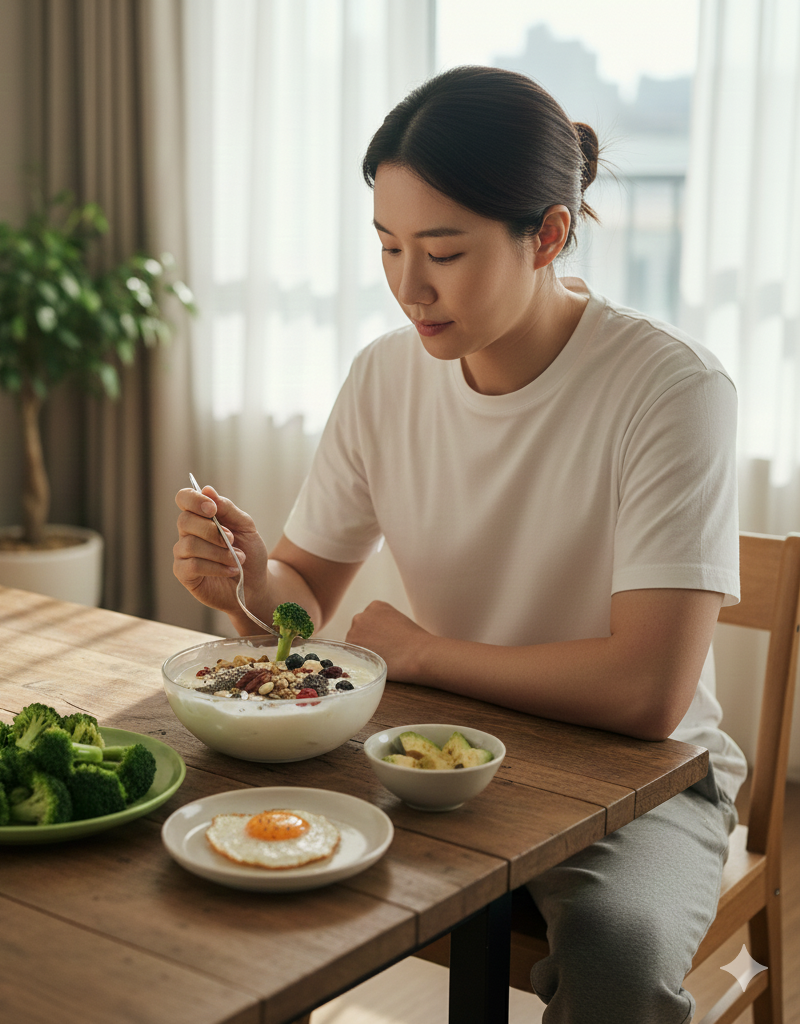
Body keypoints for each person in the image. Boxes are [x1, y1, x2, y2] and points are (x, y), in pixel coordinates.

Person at [173, 65, 745, 1023]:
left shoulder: (670, 388)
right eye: (388, 246)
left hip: (635, 776)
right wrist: (248, 579)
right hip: (434, 745)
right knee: (216, 859)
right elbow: (302, 596)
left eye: (443, 251)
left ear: (547, 235)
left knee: (618, 957)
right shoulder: (384, 377)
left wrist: (426, 655)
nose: (409, 286)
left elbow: (649, 692)